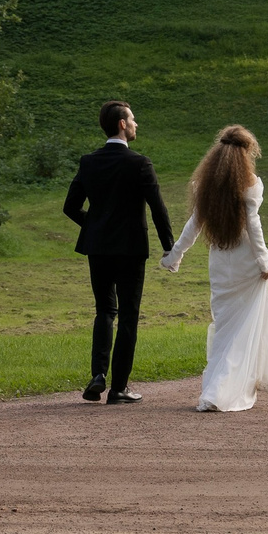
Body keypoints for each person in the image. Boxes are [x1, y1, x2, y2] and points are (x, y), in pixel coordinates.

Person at [61, 99, 174, 405]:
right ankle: (119, 388)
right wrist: (170, 248)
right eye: (133, 120)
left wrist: (95, 226)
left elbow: (70, 207)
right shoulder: (139, 163)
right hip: (130, 250)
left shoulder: (89, 162)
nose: (136, 124)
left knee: (104, 311)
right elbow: (158, 210)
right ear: (122, 124)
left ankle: (98, 375)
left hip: (97, 249)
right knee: (128, 317)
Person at [159, 124, 268, 413]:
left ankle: (215, 389)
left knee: (225, 328)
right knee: (242, 329)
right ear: (246, 153)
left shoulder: (205, 186)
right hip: (246, 263)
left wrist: (174, 256)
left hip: (221, 264)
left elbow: (193, 227)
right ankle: (224, 390)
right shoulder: (250, 184)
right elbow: (254, 226)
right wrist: (264, 261)